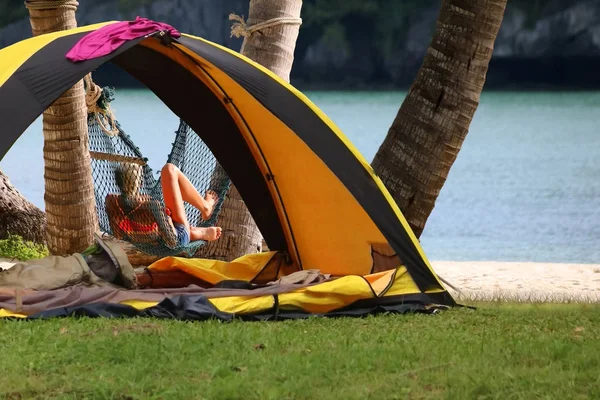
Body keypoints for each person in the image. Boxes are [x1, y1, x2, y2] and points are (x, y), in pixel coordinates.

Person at [105, 162, 222, 248]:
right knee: (169, 169)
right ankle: (205, 208)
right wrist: (167, 219)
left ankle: (198, 232)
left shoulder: (111, 201)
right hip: (177, 238)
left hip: (144, 239)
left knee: (162, 220)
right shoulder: (152, 205)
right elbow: (173, 242)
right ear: (140, 184)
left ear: (118, 182)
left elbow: (118, 233)